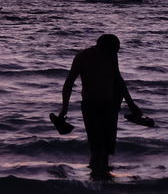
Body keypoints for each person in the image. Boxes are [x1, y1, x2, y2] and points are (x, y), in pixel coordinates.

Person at [59, 33, 142, 175]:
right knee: (97, 146)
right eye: (112, 50)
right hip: (91, 106)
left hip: (111, 105)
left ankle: (103, 178)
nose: (113, 54)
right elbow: (69, 83)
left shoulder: (112, 56)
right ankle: (97, 176)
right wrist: (64, 109)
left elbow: (118, 80)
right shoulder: (82, 57)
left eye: (116, 51)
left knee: (108, 148)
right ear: (101, 47)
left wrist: (131, 105)